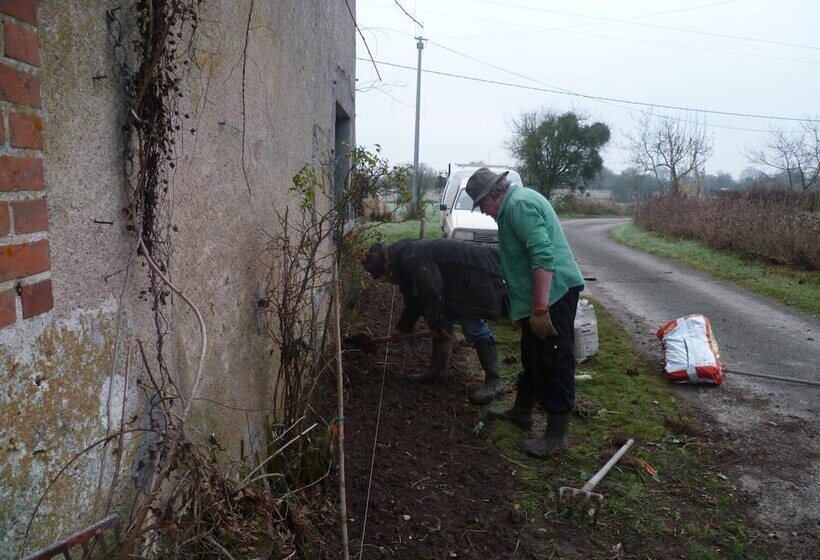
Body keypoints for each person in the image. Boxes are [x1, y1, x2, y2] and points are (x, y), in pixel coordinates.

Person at [466, 168, 585, 457]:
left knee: (555, 360)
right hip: (540, 299)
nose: (483, 212)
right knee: (533, 355)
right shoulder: (513, 206)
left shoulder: (519, 205)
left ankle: (556, 437)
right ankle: (522, 412)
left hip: (553, 295)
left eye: (482, 204)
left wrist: (540, 307)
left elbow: (543, 256)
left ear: (495, 193)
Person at [361, 238, 508, 404]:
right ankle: (437, 370)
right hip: (459, 278)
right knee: (442, 318)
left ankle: (494, 381)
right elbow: (414, 300)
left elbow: (431, 291)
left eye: (382, 279)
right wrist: (402, 327)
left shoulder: (410, 258)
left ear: (386, 269)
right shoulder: (401, 260)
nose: (384, 282)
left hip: (476, 272)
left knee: (472, 324)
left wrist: (435, 322)